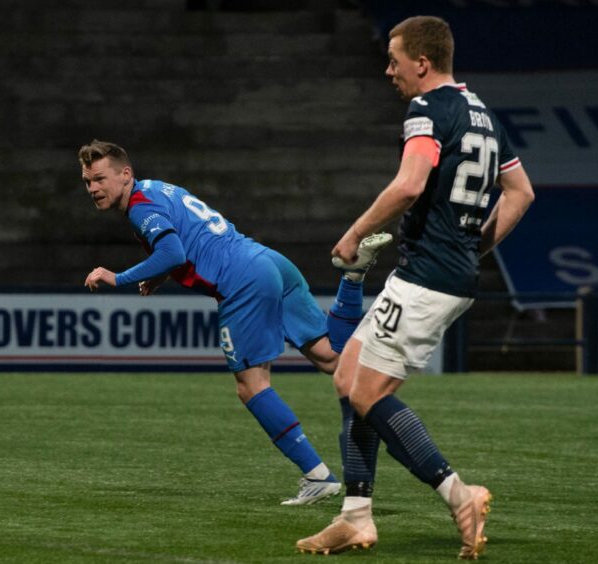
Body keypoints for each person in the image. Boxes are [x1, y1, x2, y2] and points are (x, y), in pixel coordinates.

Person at [295, 16, 535, 559]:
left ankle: (459, 493)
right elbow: (520, 192)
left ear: (421, 63)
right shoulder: (484, 114)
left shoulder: (427, 109)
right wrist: (470, 246)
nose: (388, 70)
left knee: (366, 392)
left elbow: (410, 183)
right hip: (439, 273)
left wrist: (355, 232)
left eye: (394, 59)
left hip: (427, 278)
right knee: (347, 376)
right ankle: (355, 517)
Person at [79, 139, 392, 506]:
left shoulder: (139, 206)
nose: (93, 188)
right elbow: (187, 240)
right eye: (87, 182)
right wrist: (164, 275)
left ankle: (317, 476)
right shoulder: (156, 188)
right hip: (267, 260)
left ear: (125, 174)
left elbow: (173, 250)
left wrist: (118, 277)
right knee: (331, 359)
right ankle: (352, 278)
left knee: (251, 386)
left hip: (241, 280)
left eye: (99, 178)